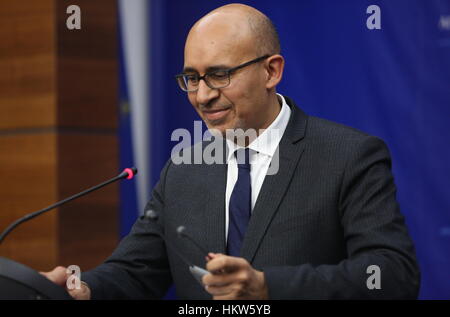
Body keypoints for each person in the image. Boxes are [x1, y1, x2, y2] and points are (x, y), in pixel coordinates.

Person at [42, 3, 420, 299]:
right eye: (192, 78)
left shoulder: (348, 156)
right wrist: (82, 289)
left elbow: (392, 275)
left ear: (271, 72)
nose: (203, 96)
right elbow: (136, 270)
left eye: (220, 74)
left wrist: (267, 287)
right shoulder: (184, 169)